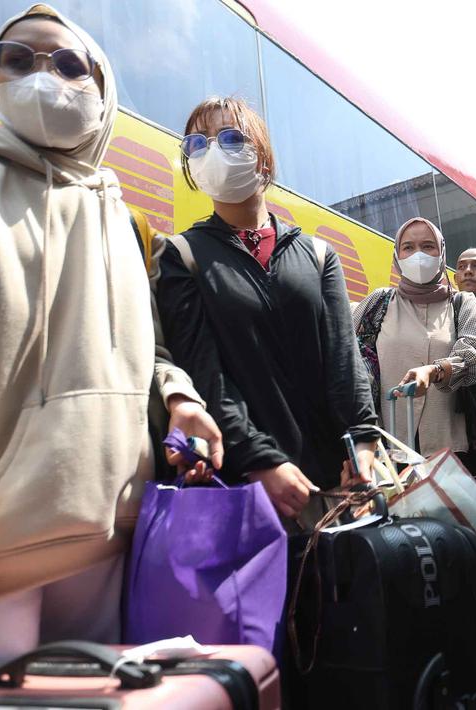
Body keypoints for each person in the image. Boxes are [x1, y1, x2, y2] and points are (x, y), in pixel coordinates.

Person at [0, 6, 220, 706]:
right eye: (16, 61)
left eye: (64, 64)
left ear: (101, 84)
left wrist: (181, 396)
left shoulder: (120, 215)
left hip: (105, 547)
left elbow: (137, 347)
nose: (40, 77)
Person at [155, 95, 379, 525]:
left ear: (263, 157)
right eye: (197, 145)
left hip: (335, 486)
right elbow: (206, 374)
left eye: (230, 137)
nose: (212, 151)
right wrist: (261, 461)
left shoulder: (317, 254)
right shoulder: (181, 255)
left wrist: (363, 444)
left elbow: (344, 363)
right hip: (244, 487)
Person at [354, 218, 476, 456]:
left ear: (441, 253)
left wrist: (435, 371)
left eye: (428, 246)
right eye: (408, 247)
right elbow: (343, 355)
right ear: (397, 256)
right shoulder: (379, 302)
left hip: (450, 447)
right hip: (387, 449)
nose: (418, 255)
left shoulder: (461, 302)